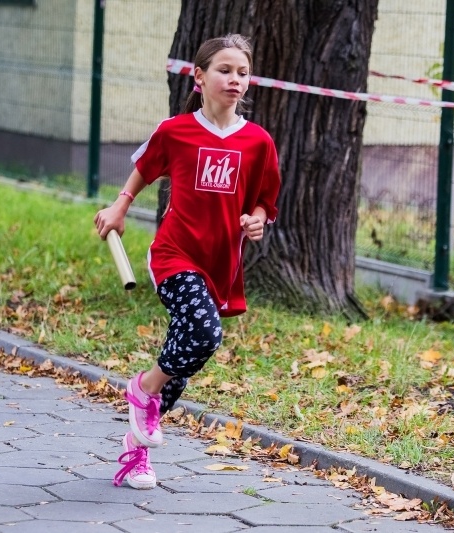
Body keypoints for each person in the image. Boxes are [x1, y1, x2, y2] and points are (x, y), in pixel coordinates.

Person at [93, 33, 281, 490]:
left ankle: (136, 447)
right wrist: (120, 205)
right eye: (224, 70)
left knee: (186, 353)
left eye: (242, 72)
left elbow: (264, 202)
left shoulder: (258, 142)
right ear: (198, 77)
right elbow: (145, 166)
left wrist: (256, 221)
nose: (235, 79)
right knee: (203, 333)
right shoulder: (175, 131)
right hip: (175, 254)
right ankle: (142, 389)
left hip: (220, 266)